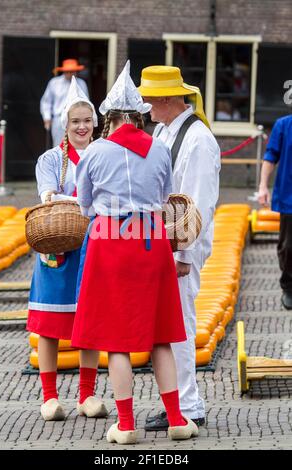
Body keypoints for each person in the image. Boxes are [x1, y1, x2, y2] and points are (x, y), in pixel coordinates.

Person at [71, 61, 199, 445]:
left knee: (117, 339)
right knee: (161, 335)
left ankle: (126, 425)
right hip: (151, 242)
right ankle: (177, 419)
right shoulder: (160, 149)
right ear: (139, 117)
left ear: (108, 118)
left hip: (109, 244)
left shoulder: (95, 152)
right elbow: (165, 198)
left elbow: (84, 206)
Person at [138, 65, 220, 431]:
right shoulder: (164, 130)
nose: (147, 106)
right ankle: (178, 403)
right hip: (166, 244)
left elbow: (198, 202)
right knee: (168, 326)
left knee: (181, 327)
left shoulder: (198, 140)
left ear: (167, 98)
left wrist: (184, 254)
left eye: (150, 99)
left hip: (180, 250)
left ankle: (188, 405)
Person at [27, 76, 107, 421]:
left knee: (88, 320)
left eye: (87, 120)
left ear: (95, 123)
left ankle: (87, 395)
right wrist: (82, 202)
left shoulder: (104, 156)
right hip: (57, 247)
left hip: (94, 248)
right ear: (65, 125)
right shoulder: (49, 160)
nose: (82, 127)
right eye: (75, 121)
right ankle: (49, 396)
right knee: (49, 323)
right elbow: (47, 197)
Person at [258, 114, 292, 310]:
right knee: (288, 246)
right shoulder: (283, 125)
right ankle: (288, 286)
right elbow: (271, 156)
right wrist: (263, 186)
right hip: (289, 196)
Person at [40, 59, 90, 146]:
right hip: (59, 120)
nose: (71, 74)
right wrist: (47, 117)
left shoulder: (81, 83)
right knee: (59, 147)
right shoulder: (54, 83)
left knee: (77, 146)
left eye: (73, 71)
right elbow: (46, 101)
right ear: (64, 72)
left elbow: (86, 103)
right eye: (68, 72)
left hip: (77, 120)